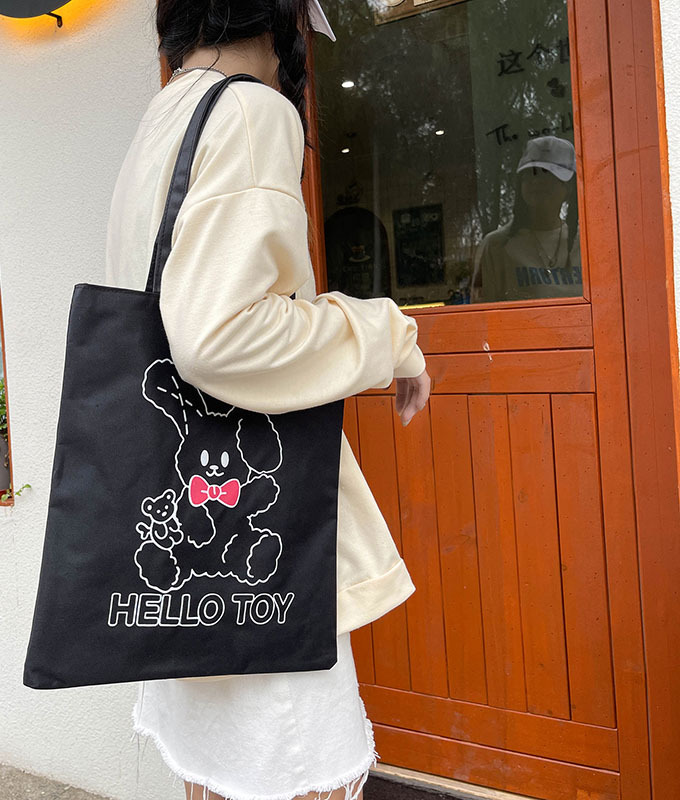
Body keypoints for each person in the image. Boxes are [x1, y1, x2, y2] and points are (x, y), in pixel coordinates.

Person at [104, 2, 431, 798]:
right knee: (291, 770)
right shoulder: (250, 112)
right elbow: (219, 336)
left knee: (213, 772)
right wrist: (385, 334)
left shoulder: (166, 113)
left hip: (182, 530)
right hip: (264, 539)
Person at [470, 135, 582, 303]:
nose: (536, 182)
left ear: (569, 187)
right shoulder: (496, 246)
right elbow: (483, 312)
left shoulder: (585, 245)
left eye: (548, 175)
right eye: (529, 175)